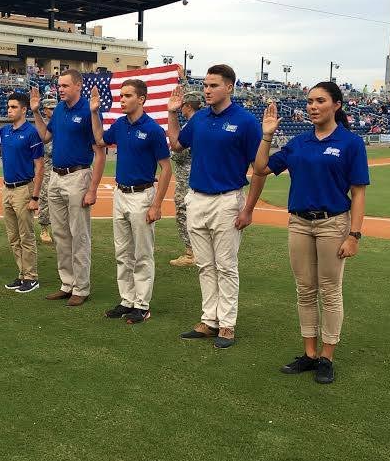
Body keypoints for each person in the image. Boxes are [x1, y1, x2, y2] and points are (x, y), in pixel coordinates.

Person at [253, 82, 369, 384]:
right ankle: (309, 354)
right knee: (305, 290)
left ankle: (327, 357)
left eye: (320, 101)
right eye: (309, 102)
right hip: (299, 223)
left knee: (330, 291)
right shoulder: (298, 143)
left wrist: (354, 235)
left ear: (336, 105)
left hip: (333, 223)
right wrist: (267, 135)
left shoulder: (350, 143)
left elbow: (358, 192)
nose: (313, 107)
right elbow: (261, 168)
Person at [166, 64, 265, 348]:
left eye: (213, 86)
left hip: (227, 200)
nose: (207, 91)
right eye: (205, 85)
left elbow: (259, 169)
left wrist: (248, 209)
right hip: (197, 198)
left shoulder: (245, 122)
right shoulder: (199, 119)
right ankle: (209, 320)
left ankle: (227, 325)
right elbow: (176, 145)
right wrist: (172, 113)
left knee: (226, 266)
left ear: (229, 87)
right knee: (204, 265)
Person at [88, 80, 172, 324]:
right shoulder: (119, 124)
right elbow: (100, 140)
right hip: (120, 194)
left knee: (142, 254)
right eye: (120, 96)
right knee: (123, 252)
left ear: (141, 99)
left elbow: (166, 169)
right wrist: (94, 112)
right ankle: (127, 300)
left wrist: (156, 205)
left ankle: (142, 305)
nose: (122, 100)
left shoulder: (153, 130)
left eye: (127, 96)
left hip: (142, 196)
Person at [31, 70, 106, 306]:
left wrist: (93, 189)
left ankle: (81, 288)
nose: (60, 89)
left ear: (78, 86)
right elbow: (45, 136)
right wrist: (35, 112)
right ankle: (67, 284)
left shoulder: (88, 110)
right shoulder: (60, 110)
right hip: (56, 176)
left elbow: (100, 152)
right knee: (60, 234)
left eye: (65, 85)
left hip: (78, 175)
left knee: (79, 234)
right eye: (59, 85)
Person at [0, 92, 45, 293]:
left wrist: (35, 197)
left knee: (26, 236)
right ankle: (22, 274)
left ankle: (31, 277)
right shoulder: (4, 131)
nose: (9, 110)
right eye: (8, 106)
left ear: (23, 109)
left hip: (24, 189)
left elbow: (40, 167)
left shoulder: (31, 133)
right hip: (7, 189)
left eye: (14, 107)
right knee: (13, 237)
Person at [168, 91, 205, 267]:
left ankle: (192, 253)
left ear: (188, 106)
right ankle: (200, 252)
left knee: (184, 214)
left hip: (187, 179)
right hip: (199, 178)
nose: (181, 108)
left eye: (183, 105)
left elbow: (179, 154)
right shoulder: (205, 123)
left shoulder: (192, 126)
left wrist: (173, 151)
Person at [34, 97, 57, 244]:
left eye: (55, 108)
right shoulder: (42, 127)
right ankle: (44, 228)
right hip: (47, 167)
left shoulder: (61, 124)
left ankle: (60, 229)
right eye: (51, 109)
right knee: (45, 198)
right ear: (45, 111)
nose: (53, 111)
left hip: (60, 166)